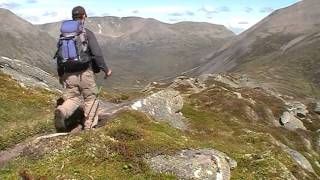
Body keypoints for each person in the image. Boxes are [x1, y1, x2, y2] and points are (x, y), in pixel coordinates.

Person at [54, 6, 112, 131]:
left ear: (73, 17)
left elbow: (59, 56)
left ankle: (62, 111)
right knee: (91, 98)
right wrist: (105, 69)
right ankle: (89, 127)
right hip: (85, 73)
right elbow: (97, 54)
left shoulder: (63, 35)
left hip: (68, 74)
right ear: (84, 16)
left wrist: (61, 75)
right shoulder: (86, 33)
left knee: (72, 98)